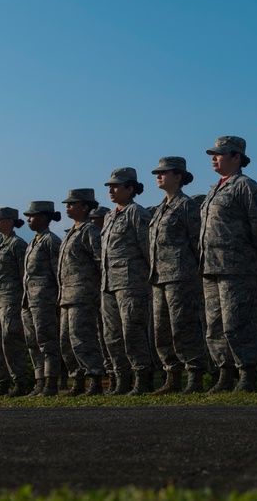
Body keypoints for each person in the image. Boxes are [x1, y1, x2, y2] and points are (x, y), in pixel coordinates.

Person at [200, 136, 257, 393]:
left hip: (237, 267)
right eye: (213, 154)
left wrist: (255, 260)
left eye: (219, 153)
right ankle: (224, 374)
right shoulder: (215, 188)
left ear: (236, 157)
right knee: (214, 327)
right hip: (211, 268)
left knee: (236, 323)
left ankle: (247, 374)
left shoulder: (246, 186)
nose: (214, 158)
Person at [148, 157, 209, 394]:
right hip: (159, 278)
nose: (159, 176)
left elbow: (197, 242)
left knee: (183, 327)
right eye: (158, 172)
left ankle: (194, 376)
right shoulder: (160, 208)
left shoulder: (186, 206)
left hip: (181, 276)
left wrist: (198, 275)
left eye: (164, 172)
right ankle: (172, 377)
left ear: (178, 177)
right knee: (161, 330)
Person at [101, 168, 155, 395]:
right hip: (109, 284)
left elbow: (148, 249)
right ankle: (121, 379)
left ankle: (142, 378)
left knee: (132, 332)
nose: (111, 190)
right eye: (110, 187)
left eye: (116, 186)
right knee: (112, 335)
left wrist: (149, 280)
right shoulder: (109, 216)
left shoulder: (137, 213)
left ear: (130, 189)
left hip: (132, 282)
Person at [57, 188, 106, 396]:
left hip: (84, 294)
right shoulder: (72, 232)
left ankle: (94, 380)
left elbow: (101, 262)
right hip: (67, 295)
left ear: (85, 207)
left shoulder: (90, 231)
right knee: (66, 340)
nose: (68, 206)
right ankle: (77, 381)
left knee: (82, 337)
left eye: (72, 203)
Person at [0, 207, 30, 397]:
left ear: (10, 221)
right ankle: (1, 384)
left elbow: (25, 274)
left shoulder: (17, 244)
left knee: (10, 341)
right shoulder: (0, 244)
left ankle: (20, 383)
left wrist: (24, 299)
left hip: (12, 299)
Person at [21, 201, 63, 397]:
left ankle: (51, 383)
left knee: (47, 342)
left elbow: (59, 273)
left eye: (32, 216)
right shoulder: (33, 242)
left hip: (44, 299)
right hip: (29, 300)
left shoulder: (51, 241)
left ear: (44, 218)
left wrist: (58, 299)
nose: (28, 219)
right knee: (33, 342)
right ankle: (39, 382)